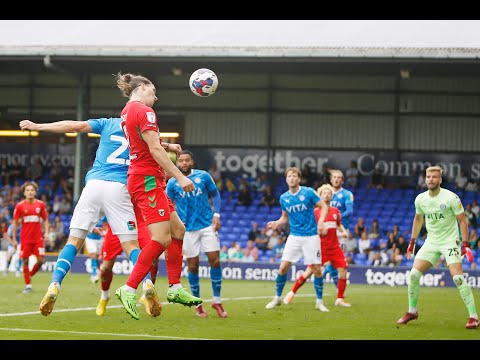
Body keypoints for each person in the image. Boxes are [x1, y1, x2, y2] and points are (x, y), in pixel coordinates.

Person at [19, 118, 166, 318]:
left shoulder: (107, 123)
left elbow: (74, 126)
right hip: (120, 187)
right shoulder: (142, 130)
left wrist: (39, 126)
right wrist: (169, 146)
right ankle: (147, 282)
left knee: (73, 242)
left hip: (94, 185)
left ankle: (54, 284)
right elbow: (155, 150)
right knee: (132, 246)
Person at [115, 72, 201, 320]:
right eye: (153, 92)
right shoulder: (145, 111)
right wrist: (180, 176)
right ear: (142, 88)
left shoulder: (126, 112)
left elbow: (144, 144)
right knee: (162, 239)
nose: (156, 97)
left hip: (146, 179)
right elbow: (151, 148)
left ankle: (174, 288)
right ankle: (129, 288)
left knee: (178, 231)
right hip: (148, 179)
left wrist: (167, 145)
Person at [397, 166, 478, 329]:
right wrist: (412, 241)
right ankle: (412, 311)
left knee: (457, 278)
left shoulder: (451, 197)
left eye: (434, 177)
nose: (431, 179)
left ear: (440, 180)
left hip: (450, 241)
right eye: (428, 177)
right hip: (432, 241)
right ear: (425, 178)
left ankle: (474, 317)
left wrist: (465, 243)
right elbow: (418, 219)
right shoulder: (420, 199)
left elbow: (463, 221)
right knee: (413, 274)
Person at [166, 150, 227, 318]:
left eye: (187, 160)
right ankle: (198, 304)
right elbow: (168, 204)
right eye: (181, 161)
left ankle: (217, 301)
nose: (184, 163)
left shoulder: (203, 176)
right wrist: (175, 221)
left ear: (192, 162)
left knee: (215, 261)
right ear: (177, 163)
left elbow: (215, 193)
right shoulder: (172, 183)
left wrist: (217, 214)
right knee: (193, 266)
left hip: (207, 225)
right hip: (187, 230)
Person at [265, 167, 328, 310]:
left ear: (299, 179)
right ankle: (277, 298)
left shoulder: (308, 192)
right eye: (289, 176)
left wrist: (321, 222)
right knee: (283, 268)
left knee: (317, 269)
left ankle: (319, 302)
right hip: (294, 236)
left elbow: (323, 206)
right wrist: (277, 222)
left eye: (294, 176)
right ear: (286, 179)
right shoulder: (284, 198)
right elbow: (285, 217)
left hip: (311, 236)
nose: (291, 178)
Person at [283, 184, 350, 311]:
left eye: (329, 193)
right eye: (324, 193)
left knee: (343, 272)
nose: (327, 194)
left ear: (332, 195)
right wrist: (320, 231)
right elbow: (309, 229)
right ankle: (291, 293)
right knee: (309, 273)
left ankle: (339, 299)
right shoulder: (314, 212)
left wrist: (343, 231)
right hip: (320, 247)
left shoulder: (336, 211)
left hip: (335, 247)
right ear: (320, 195)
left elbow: (338, 224)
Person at [12, 181, 49, 293]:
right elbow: (15, 223)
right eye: (27, 190)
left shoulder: (40, 205)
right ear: (24, 192)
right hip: (25, 238)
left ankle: (29, 275)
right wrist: (14, 239)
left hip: (38, 238)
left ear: (35, 192)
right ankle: (28, 285)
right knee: (25, 261)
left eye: (32, 190)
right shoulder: (20, 206)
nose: (30, 192)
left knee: (41, 261)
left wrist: (46, 232)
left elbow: (46, 219)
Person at [324, 169, 354, 286]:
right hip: (327, 229)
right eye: (334, 177)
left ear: (342, 180)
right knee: (329, 260)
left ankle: (325, 277)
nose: (336, 180)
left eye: (339, 178)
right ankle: (337, 286)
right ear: (331, 179)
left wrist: (337, 216)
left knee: (334, 260)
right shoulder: (325, 193)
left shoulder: (347, 194)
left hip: (341, 230)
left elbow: (350, 211)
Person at [85, 218, 105, 284]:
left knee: (98, 257)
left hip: (100, 238)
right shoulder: (92, 212)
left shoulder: (104, 214)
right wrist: (94, 229)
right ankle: (94, 273)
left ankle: (97, 271)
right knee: (93, 254)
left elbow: (106, 224)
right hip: (90, 238)